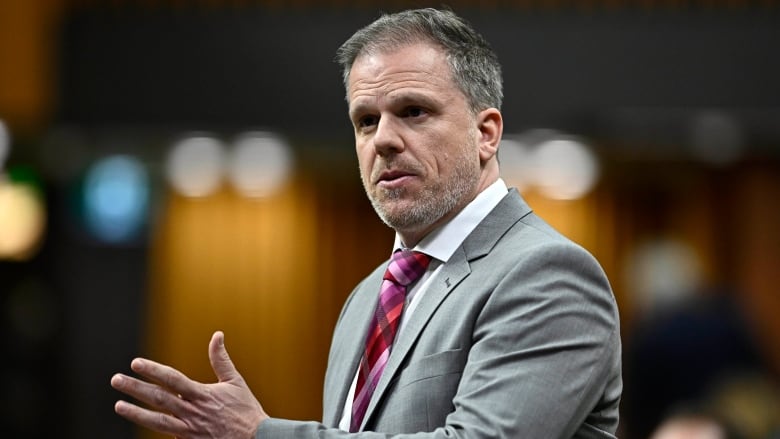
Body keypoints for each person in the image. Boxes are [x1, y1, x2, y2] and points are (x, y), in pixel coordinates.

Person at [111, 8, 622, 438]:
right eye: (366, 121)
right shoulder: (366, 298)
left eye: (414, 111)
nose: (383, 140)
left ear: (486, 134)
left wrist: (261, 433)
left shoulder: (548, 275)